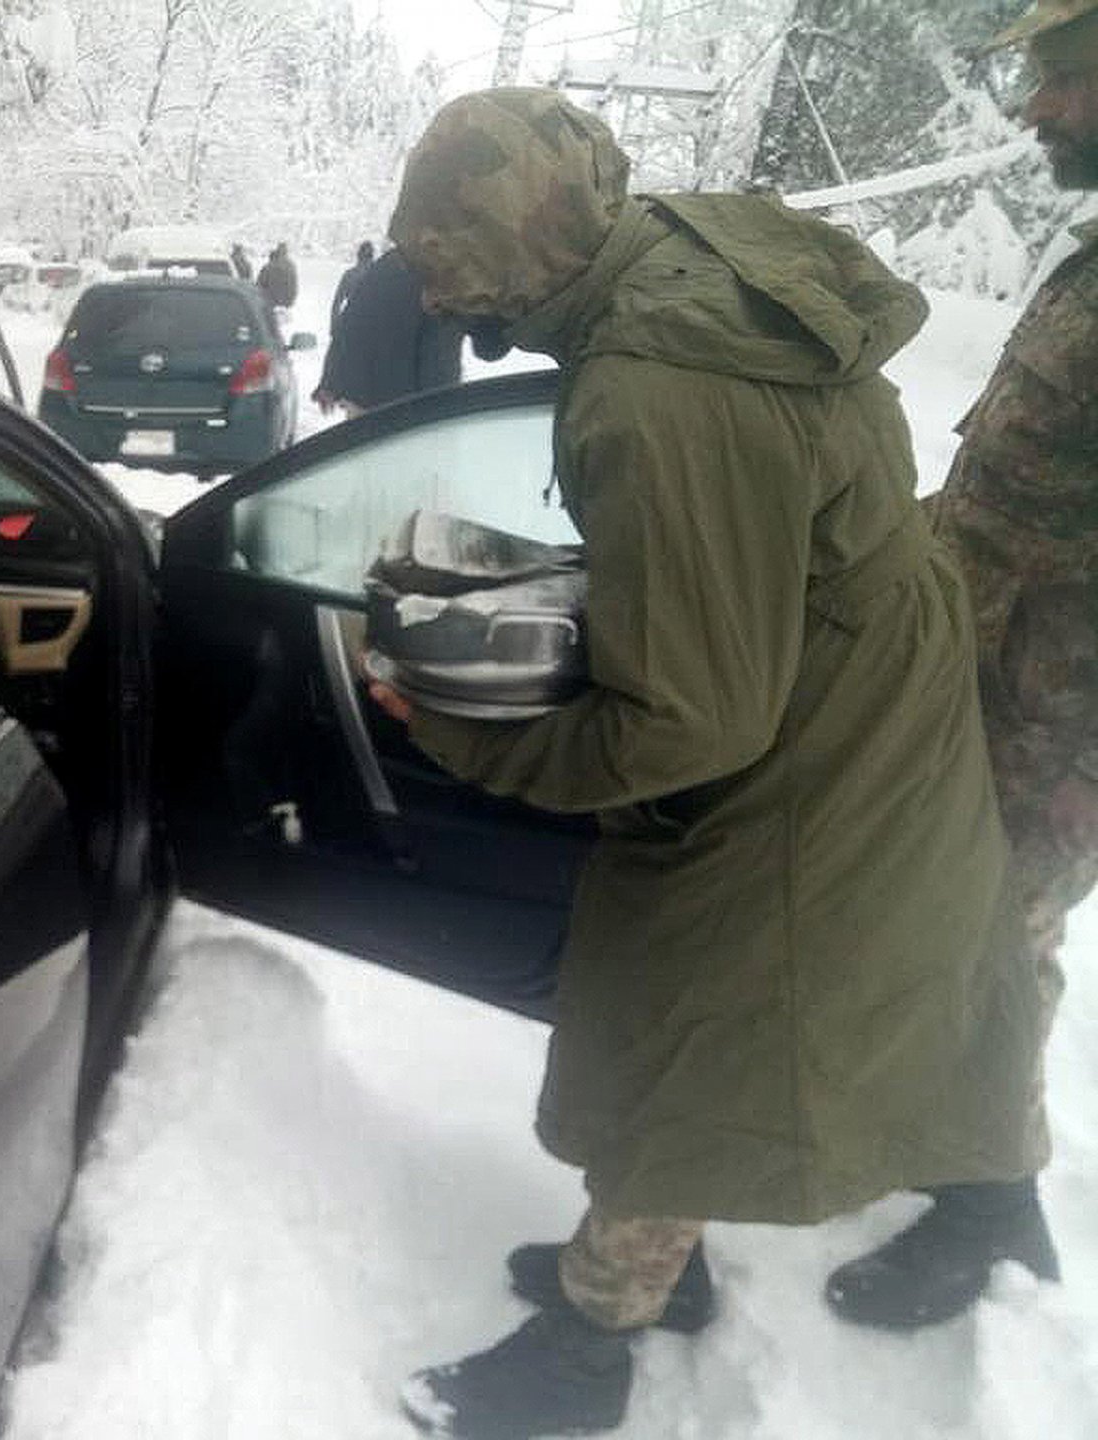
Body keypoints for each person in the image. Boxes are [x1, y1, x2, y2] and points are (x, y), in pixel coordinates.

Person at [371, 89, 1046, 1439]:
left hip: (806, 760)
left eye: (450, 268)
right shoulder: (693, 252)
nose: (445, 302)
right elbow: (748, 537)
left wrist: (461, 731)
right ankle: (645, 1278)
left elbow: (689, 723)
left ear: (505, 253)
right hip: (862, 687)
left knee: (681, 1048)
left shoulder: (650, 392)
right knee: (696, 1034)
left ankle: (589, 1350)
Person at [821, 0, 1098, 1329]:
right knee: (956, 938)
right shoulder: (1093, 262)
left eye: (1064, 80)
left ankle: (992, 1219)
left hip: (1060, 734)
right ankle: (961, 1164)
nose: (1037, 109)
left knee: (998, 951)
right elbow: (1014, 494)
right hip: (987, 691)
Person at [311, 246, 463, 416]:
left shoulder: (385, 265)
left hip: (365, 399)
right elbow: (447, 352)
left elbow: (349, 324)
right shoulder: (447, 273)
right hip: (416, 411)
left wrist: (329, 381)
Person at [329, 239, 376, 333]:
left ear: (358, 256)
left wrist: (334, 327)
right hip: (371, 324)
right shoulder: (379, 276)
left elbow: (336, 303)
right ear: (372, 257)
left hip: (351, 322)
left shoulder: (350, 275)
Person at [255, 240, 297, 309]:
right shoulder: (291, 265)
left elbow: (259, 284)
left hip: (271, 302)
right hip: (287, 302)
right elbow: (294, 285)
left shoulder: (268, 267)